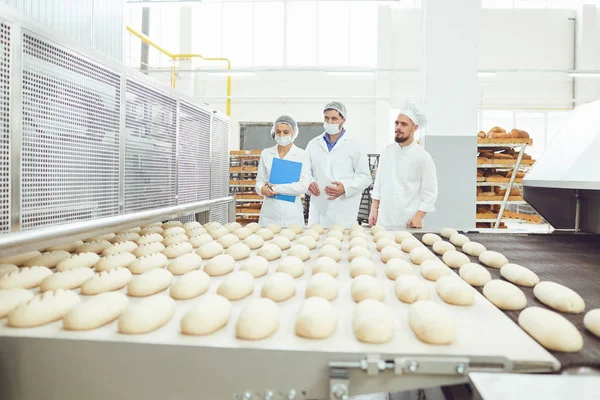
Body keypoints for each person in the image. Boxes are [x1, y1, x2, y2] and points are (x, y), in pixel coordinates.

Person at [369, 102, 438, 229]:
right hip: (384, 219)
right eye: (396, 123)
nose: (398, 127)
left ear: (415, 128)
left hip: (407, 221)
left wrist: (419, 217)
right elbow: (379, 182)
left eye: (404, 124)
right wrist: (374, 209)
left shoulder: (423, 157)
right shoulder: (387, 150)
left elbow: (430, 193)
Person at [305, 101, 372, 229]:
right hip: (319, 206)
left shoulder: (355, 145)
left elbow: (365, 177)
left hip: (343, 208)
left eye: (334, 118)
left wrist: (345, 188)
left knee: (341, 244)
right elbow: (304, 172)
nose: (329, 122)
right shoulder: (313, 144)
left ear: (343, 120)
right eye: (326, 118)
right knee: (315, 242)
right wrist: (309, 182)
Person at [255, 115, 311, 227]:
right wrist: (262, 189)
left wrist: (276, 189)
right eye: (278, 132)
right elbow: (259, 181)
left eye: (286, 132)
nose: (281, 136)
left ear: (293, 133)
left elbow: (303, 186)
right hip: (269, 214)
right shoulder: (266, 154)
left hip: (291, 214)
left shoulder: (302, 155)